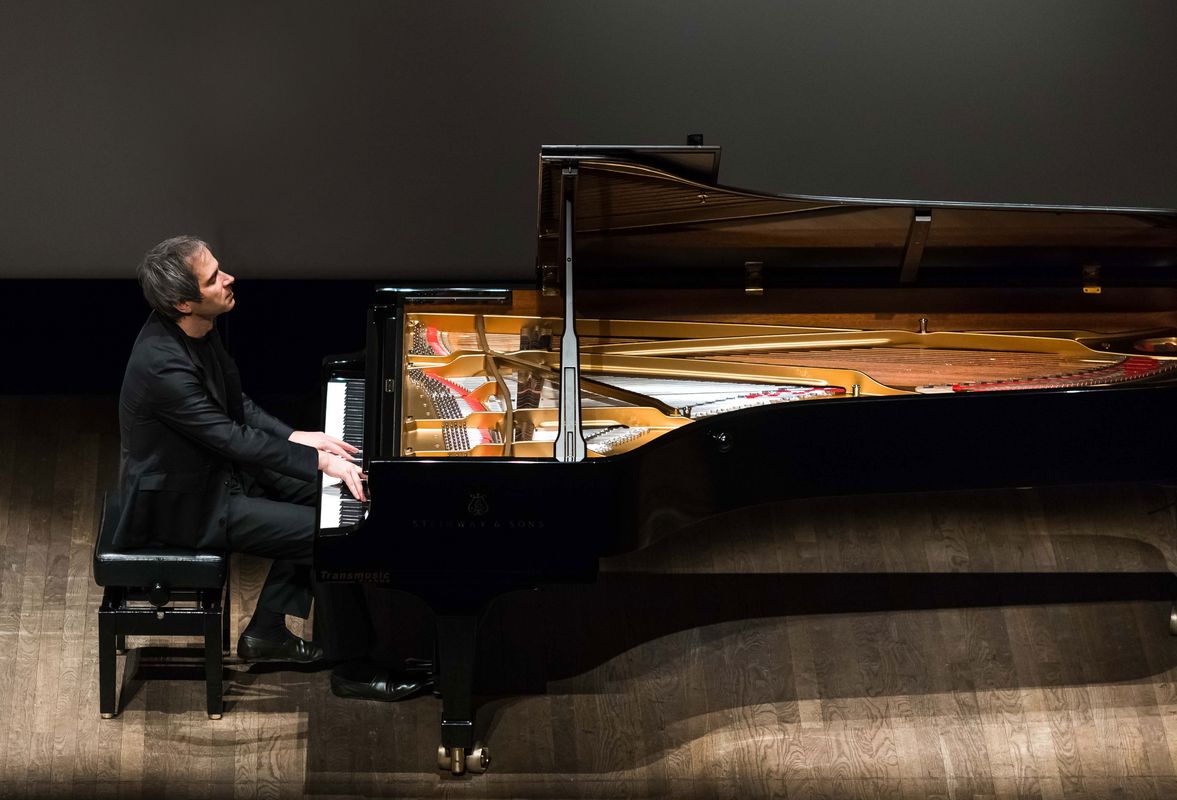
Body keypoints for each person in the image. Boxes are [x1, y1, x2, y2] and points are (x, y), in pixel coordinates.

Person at [117, 236, 428, 701]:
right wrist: (318, 460)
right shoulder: (164, 367)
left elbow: (235, 404)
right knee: (334, 537)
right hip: (187, 508)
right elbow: (231, 437)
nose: (229, 279)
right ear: (184, 302)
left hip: (217, 475)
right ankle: (353, 669)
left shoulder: (198, 327)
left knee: (332, 505)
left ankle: (267, 630)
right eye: (214, 278)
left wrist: (297, 436)